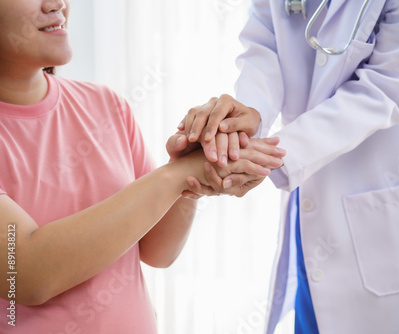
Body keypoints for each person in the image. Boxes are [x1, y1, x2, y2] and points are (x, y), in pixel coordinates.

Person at [170, 0, 399, 333]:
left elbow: (388, 87)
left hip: (398, 173)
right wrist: (244, 120)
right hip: (314, 183)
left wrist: (270, 156)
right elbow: (267, 37)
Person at [0, 0, 285, 333]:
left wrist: (192, 177)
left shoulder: (105, 105)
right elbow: (28, 272)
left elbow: (157, 251)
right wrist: (174, 175)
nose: (58, 4)